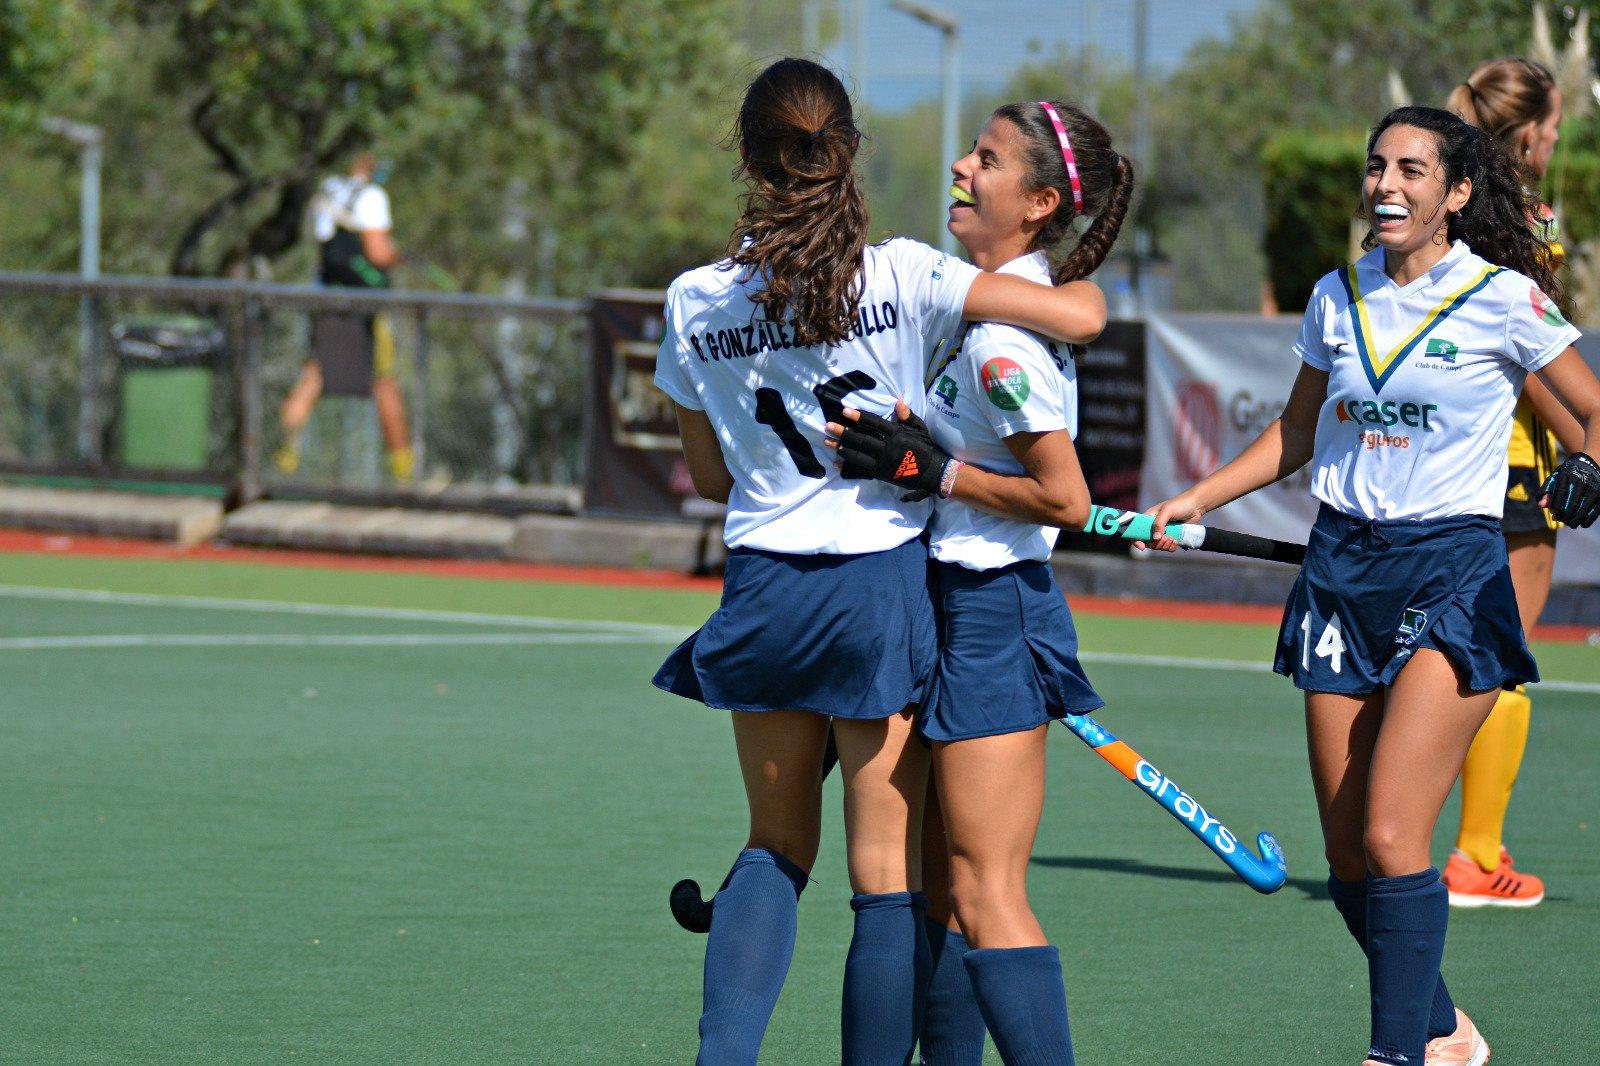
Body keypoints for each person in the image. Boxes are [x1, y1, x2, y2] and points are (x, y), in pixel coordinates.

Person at [651, 59, 1109, 1066]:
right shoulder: (903, 274)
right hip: (879, 590)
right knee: (888, 882)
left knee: (773, 846)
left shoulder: (691, 299)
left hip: (764, 582)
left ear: (749, 155)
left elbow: (706, 472)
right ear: (846, 152)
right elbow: (1079, 315)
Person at [1146, 105, 1600, 1066]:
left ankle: (1393, 1053)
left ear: (1457, 194)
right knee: (1349, 857)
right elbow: (1295, 435)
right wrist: (1192, 496)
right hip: (1340, 572)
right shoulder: (1334, 295)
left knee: (1398, 836)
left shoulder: (1504, 297)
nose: (1386, 185)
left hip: (1455, 572)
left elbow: (1592, 411)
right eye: (1376, 167)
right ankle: (1441, 1029)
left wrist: (1586, 465)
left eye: (1411, 171)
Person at [826, 98, 1132, 1065]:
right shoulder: (982, 302)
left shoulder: (1005, 342)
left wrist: (937, 471)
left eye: (989, 160)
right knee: (936, 882)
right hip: (939, 595)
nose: (962, 167)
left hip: (992, 607)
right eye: (972, 152)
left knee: (984, 887)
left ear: (1040, 202)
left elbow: (1068, 500)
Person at [1441, 57, 1586, 908]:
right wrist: (1587, 446)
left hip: (1456, 454)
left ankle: (1431, 845)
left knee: (1451, 654)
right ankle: (1475, 855)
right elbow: (1527, 352)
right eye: (1556, 123)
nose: (1561, 137)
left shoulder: (1451, 202)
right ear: (1527, 130)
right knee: (1505, 660)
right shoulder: (1520, 215)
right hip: (1519, 459)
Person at [276, 150, 414, 483]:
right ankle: (406, 471)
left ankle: (282, 457)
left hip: (326, 297)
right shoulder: (372, 196)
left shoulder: (329, 189)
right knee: (384, 380)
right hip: (364, 305)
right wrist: (399, 256)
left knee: (316, 372)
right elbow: (377, 251)